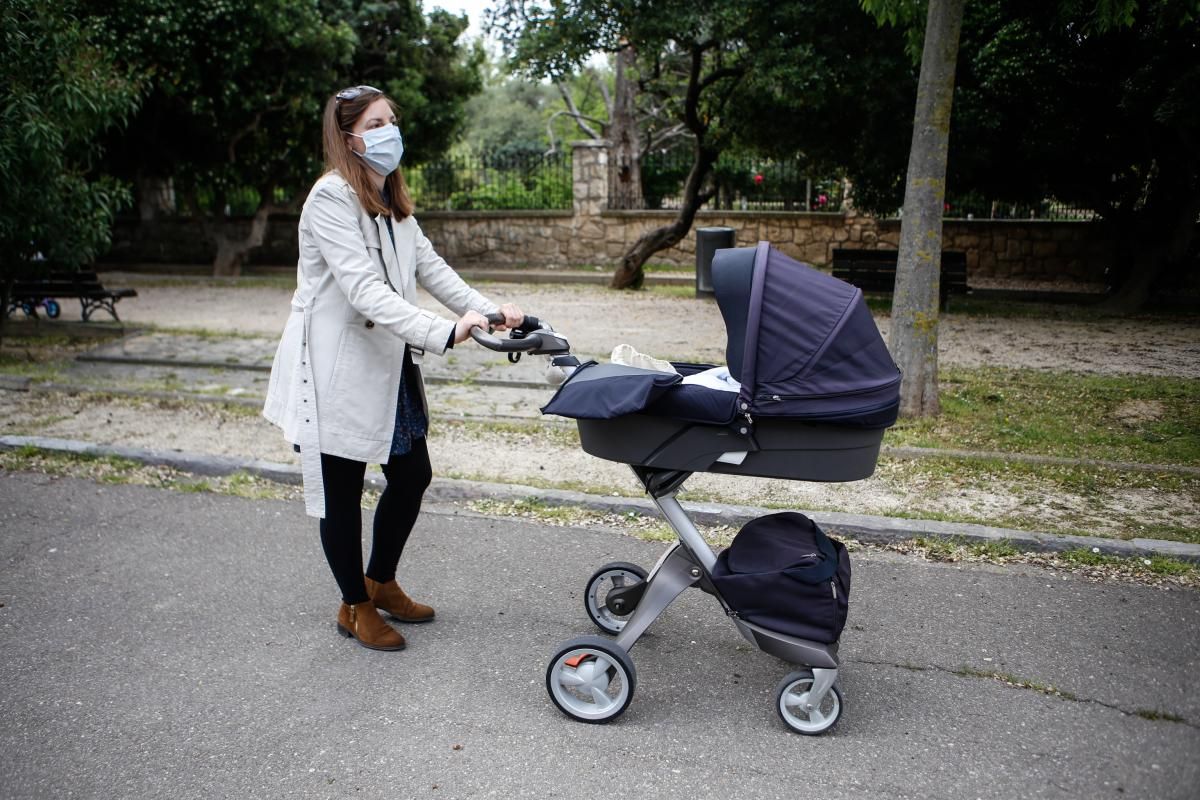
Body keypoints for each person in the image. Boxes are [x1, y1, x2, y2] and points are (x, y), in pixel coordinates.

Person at [263, 85, 523, 652]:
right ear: (349, 137)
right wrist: (443, 332)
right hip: (336, 370)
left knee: (411, 475)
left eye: (391, 120)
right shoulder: (330, 200)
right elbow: (363, 291)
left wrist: (488, 311)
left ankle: (380, 581)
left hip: (385, 363)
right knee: (343, 490)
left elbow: (432, 268)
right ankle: (353, 604)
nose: (388, 131)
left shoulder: (391, 201)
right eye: (375, 123)